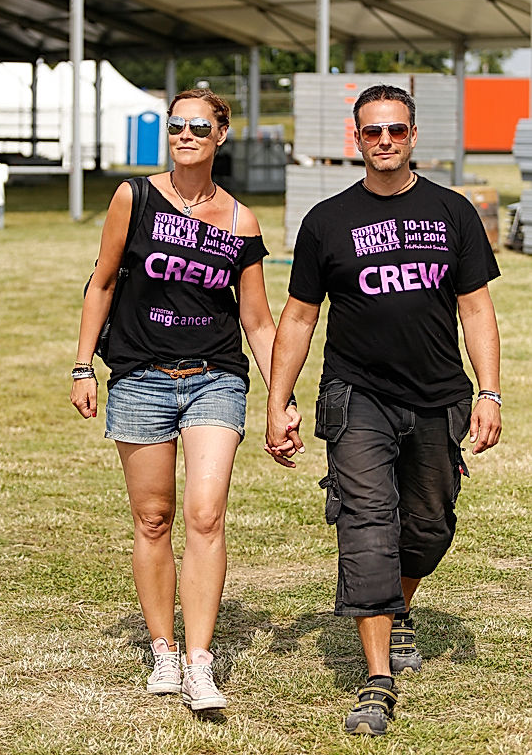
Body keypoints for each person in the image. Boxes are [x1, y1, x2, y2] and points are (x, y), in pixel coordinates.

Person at [266, 83, 501, 736]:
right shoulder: (326, 220)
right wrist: (277, 401)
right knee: (367, 526)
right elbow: (298, 317)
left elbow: (476, 308)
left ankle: (397, 609)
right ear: (357, 139)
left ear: (413, 135)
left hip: (438, 395)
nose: (385, 141)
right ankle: (377, 681)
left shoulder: (452, 211)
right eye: (372, 131)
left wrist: (488, 391)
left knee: (427, 526)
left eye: (396, 129)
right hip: (356, 395)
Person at [71, 88, 295, 712]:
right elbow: (102, 282)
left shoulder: (240, 221)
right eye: (177, 125)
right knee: (153, 518)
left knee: (205, 514)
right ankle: (163, 650)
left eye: (199, 126)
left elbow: (258, 320)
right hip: (140, 376)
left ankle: (199, 661)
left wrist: (280, 398)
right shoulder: (134, 197)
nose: (186, 135)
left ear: (222, 134)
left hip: (214, 378)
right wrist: (83, 365)